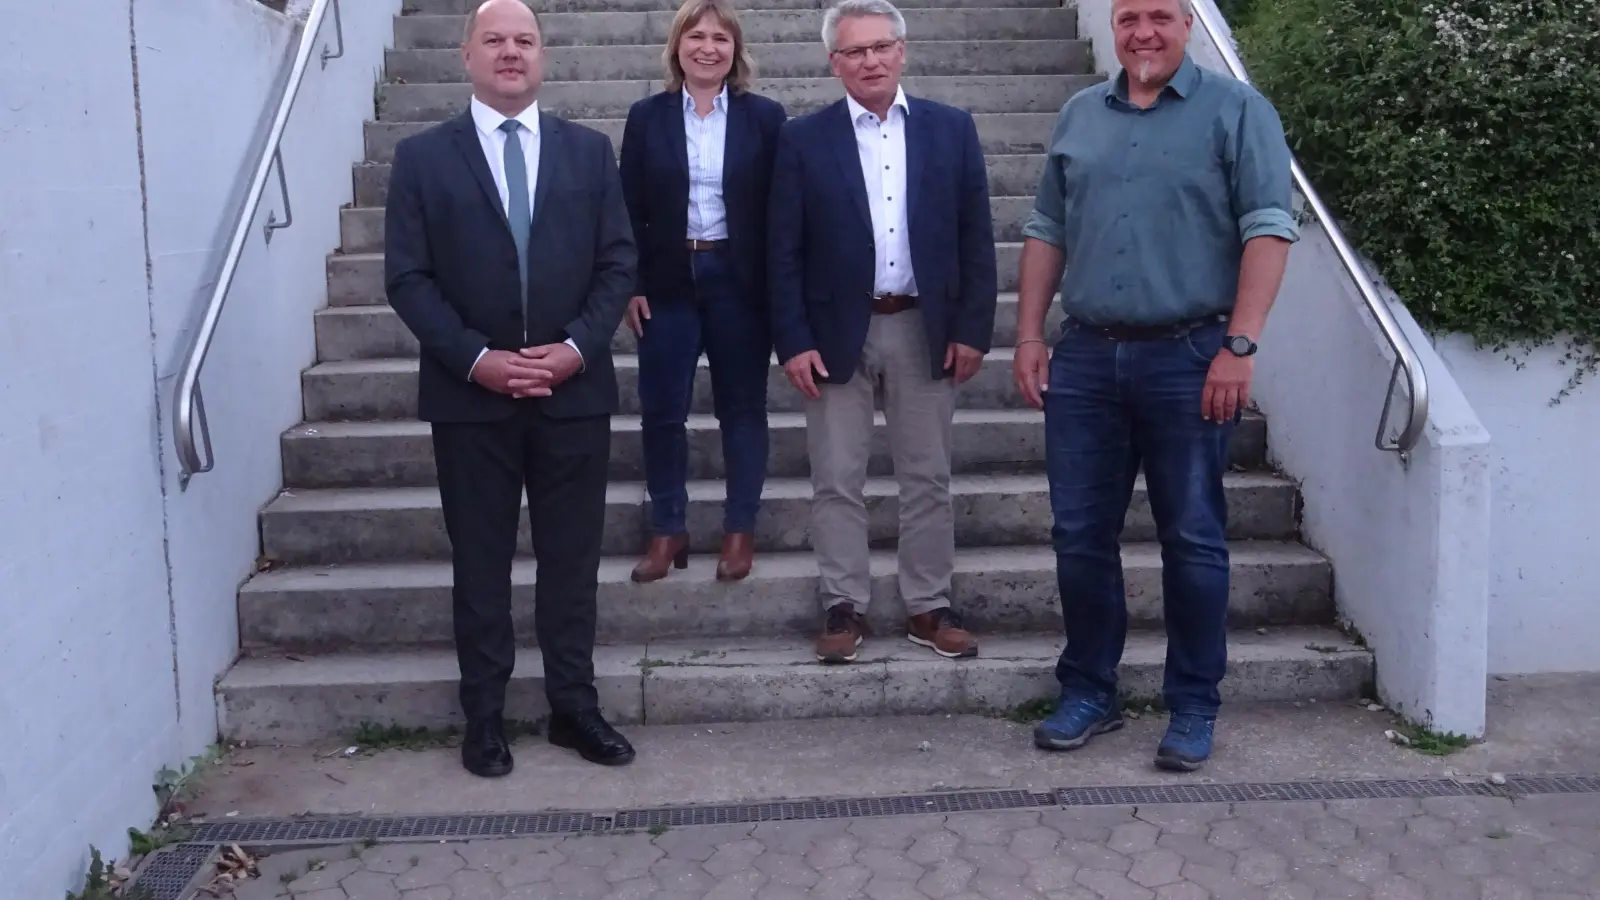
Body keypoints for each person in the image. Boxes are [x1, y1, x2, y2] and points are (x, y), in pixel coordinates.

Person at [1012, 0, 1299, 771]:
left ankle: (1194, 704)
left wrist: (1240, 346)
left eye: (1160, 16)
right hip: (1086, 360)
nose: (1143, 32)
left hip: (1191, 357)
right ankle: (1089, 692)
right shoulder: (1080, 113)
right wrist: (1031, 333)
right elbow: (1046, 228)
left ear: (1188, 25)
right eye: (1130, 16)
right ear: (1114, 25)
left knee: (1194, 539)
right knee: (1078, 536)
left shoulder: (1237, 110)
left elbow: (1269, 225)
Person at [384, 0, 639, 775]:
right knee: (481, 561)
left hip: (573, 393)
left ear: (544, 56)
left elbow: (618, 264)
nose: (510, 52)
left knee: (572, 560)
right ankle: (484, 717)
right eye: (493, 40)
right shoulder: (423, 158)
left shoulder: (590, 154)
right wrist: (477, 359)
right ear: (465, 57)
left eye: (524, 40)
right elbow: (408, 278)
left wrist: (573, 350)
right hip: (471, 398)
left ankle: (574, 707)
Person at [768, 0, 998, 664]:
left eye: (879, 47)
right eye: (853, 51)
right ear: (833, 63)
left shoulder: (950, 130)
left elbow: (974, 241)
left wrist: (973, 329)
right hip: (835, 331)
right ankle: (845, 606)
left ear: (902, 50)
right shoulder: (802, 139)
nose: (869, 60)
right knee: (836, 477)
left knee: (927, 475)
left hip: (924, 326)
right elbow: (782, 249)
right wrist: (793, 339)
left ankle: (929, 605)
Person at [619, 0, 788, 584]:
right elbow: (627, 209)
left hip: (738, 283)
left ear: (735, 49)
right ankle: (669, 529)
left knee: (742, 411)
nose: (708, 47)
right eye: (696, 36)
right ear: (677, 46)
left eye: (720, 37)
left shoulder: (765, 118)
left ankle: (739, 532)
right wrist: (631, 284)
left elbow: (780, 213)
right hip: (667, 284)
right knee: (662, 413)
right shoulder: (647, 117)